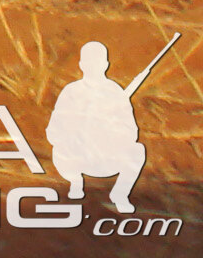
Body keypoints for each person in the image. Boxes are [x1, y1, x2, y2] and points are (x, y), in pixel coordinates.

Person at [48, 40, 147, 212]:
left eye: (97, 62)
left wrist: (109, 129)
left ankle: (120, 194)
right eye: (89, 62)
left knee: (137, 151)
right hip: (77, 158)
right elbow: (54, 131)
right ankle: (76, 183)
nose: (93, 66)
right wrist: (76, 131)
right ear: (81, 65)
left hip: (106, 158)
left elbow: (131, 132)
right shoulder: (71, 92)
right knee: (59, 149)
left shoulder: (115, 92)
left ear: (105, 65)